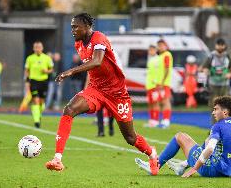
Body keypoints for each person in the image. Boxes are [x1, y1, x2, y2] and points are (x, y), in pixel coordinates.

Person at [45, 13, 159, 174]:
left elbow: (97, 61)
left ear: (87, 26)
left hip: (117, 93)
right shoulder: (79, 43)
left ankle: (152, 154)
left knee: (130, 138)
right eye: (71, 26)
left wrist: (71, 71)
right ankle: (57, 159)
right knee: (69, 109)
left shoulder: (98, 37)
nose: (73, 30)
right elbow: (92, 70)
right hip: (96, 89)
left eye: (76, 26)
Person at [135, 96, 231, 177]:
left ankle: (155, 167)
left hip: (212, 169)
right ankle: (182, 165)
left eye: (216, 109)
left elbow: (210, 149)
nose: (213, 112)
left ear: (225, 112)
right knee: (209, 140)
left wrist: (195, 168)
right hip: (228, 173)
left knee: (180, 136)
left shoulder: (219, 126)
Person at [24, 41, 53, 128]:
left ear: (42, 48)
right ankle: (36, 121)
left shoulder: (47, 58)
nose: (37, 49)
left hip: (43, 82)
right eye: (36, 47)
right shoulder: (29, 58)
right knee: (35, 100)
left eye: (39, 47)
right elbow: (26, 70)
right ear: (33, 48)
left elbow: (51, 69)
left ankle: (38, 115)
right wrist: (26, 81)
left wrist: (46, 71)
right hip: (34, 81)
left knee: (41, 102)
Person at [200, 38, 231, 108]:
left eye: (222, 45)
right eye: (218, 45)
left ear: (224, 46)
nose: (220, 47)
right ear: (215, 46)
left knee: (225, 104)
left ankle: (225, 119)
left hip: (224, 84)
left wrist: (230, 74)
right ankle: (215, 119)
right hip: (213, 84)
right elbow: (202, 67)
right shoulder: (211, 56)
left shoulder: (228, 56)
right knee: (214, 104)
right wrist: (206, 70)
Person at [156, 39, 173, 128]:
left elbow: (167, 69)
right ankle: (164, 120)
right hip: (161, 83)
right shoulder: (161, 56)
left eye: (162, 45)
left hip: (164, 83)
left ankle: (166, 121)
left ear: (165, 46)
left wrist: (162, 82)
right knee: (162, 101)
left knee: (166, 101)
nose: (160, 47)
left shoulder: (166, 55)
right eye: (159, 45)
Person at [145, 45, 160, 127]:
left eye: (151, 50)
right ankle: (151, 120)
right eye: (149, 50)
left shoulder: (157, 59)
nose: (150, 51)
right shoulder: (150, 59)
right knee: (150, 103)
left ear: (155, 50)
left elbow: (159, 72)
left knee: (155, 103)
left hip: (155, 85)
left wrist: (157, 82)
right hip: (149, 85)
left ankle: (156, 120)